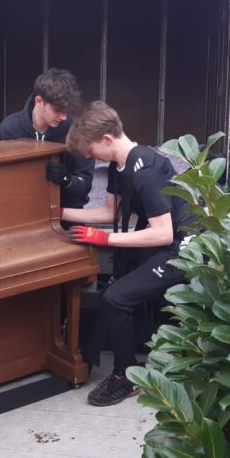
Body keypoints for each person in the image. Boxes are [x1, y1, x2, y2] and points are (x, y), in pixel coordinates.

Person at [61, 101, 190, 407]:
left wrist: (105, 239)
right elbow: (108, 211)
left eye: (91, 151)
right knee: (117, 286)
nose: (90, 158)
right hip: (163, 242)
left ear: (107, 139)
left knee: (115, 297)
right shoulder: (119, 167)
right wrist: (55, 213)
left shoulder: (144, 171)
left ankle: (127, 376)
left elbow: (164, 233)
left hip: (185, 248)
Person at [0, 68, 94, 210]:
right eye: (58, 110)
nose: (64, 117)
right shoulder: (9, 129)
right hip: (19, 212)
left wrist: (67, 180)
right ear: (39, 101)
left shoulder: (76, 131)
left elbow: (86, 184)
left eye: (66, 111)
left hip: (67, 214)